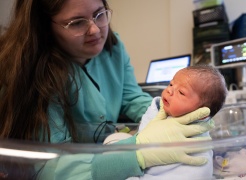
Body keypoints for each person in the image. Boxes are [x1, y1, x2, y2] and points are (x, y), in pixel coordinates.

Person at [0, 0, 214, 179]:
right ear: (45, 27)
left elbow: (130, 97)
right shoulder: (36, 74)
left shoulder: (113, 47)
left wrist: (169, 113)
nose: (94, 29)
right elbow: (50, 168)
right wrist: (138, 151)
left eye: (99, 14)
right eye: (76, 23)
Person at [105, 65, 228, 179]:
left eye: (181, 92)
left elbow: (197, 173)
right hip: (136, 162)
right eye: (171, 84)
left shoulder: (197, 143)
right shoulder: (158, 111)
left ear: (201, 114)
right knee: (115, 139)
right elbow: (140, 139)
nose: (169, 91)